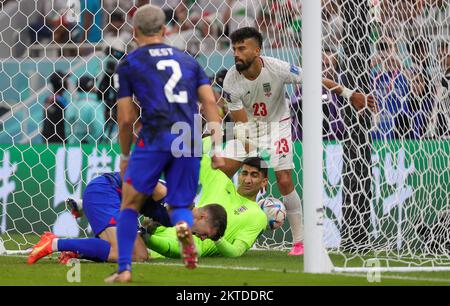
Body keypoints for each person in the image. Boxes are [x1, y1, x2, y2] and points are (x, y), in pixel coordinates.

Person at [220, 27, 376, 256]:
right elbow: (241, 125)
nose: (236, 53)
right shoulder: (231, 81)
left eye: (242, 48)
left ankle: (300, 241)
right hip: (250, 129)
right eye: (234, 48)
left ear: (257, 50)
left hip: (278, 127)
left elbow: (315, 79)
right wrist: (253, 158)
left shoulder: (277, 68)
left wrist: (348, 93)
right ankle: (217, 226)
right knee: (223, 172)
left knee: (283, 179)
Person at [108, 4, 224, 283]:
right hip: (189, 134)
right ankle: (183, 226)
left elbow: (125, 119)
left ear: (134, 31)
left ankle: (124, 270)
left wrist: (125, 154)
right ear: (164, 30)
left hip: (156, 134)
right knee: (180, 204)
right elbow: (210, 102)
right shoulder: (188, 61)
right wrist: (218, 148)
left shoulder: (130, 63)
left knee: (129, 205)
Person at [27, 173, 227, 264]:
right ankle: (54, 243)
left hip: (115, 203)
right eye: (206, 235)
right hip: (106, 192)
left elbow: (150, 217)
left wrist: (145, 230)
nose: (202, 238)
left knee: (140, 256)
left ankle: (77, 251)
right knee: (120, 250)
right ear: (202, 216)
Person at [144, 137, 268, 258]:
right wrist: (223, 135)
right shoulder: (220, 180)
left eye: (254, 175)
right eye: (244, 173)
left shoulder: (258, 215)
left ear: (264, 182)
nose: (247, 180)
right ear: (239, 175)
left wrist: (216, 238)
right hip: (167, 225)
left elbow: (236, 251)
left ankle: (143, 236)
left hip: (191, 244)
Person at [65, 76, 105, 144]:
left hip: (74, 148)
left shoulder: (71, 106)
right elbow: (100, 129)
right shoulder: (94, 105)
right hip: (92, 148)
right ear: (90, 87)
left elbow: (68, 131)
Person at [41, 71, 69, 143]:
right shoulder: (55, 101)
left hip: (52, 140)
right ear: (61, 83)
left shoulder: (51, 100)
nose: (68, 82)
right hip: (57, 142)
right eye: (66, 80)